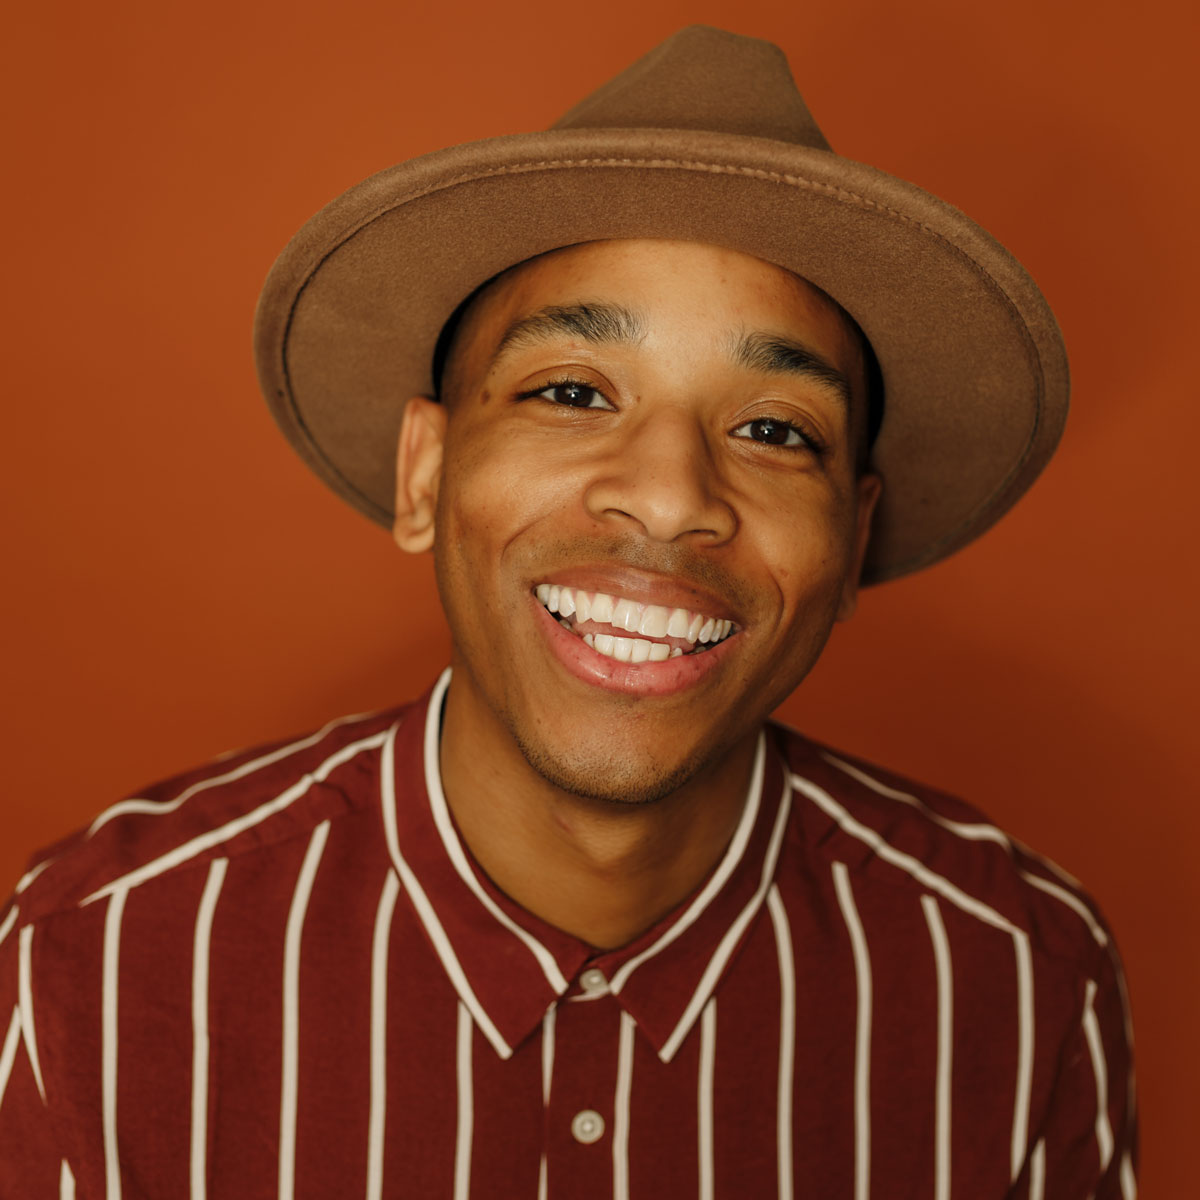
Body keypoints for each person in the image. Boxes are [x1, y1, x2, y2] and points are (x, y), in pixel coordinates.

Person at [0, 26, 1135, 1199]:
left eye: (774, 429)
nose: (669, 497)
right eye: (573, 393)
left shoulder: (1018, 977)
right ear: (427, 477)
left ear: (851, 541)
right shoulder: (97, 957)